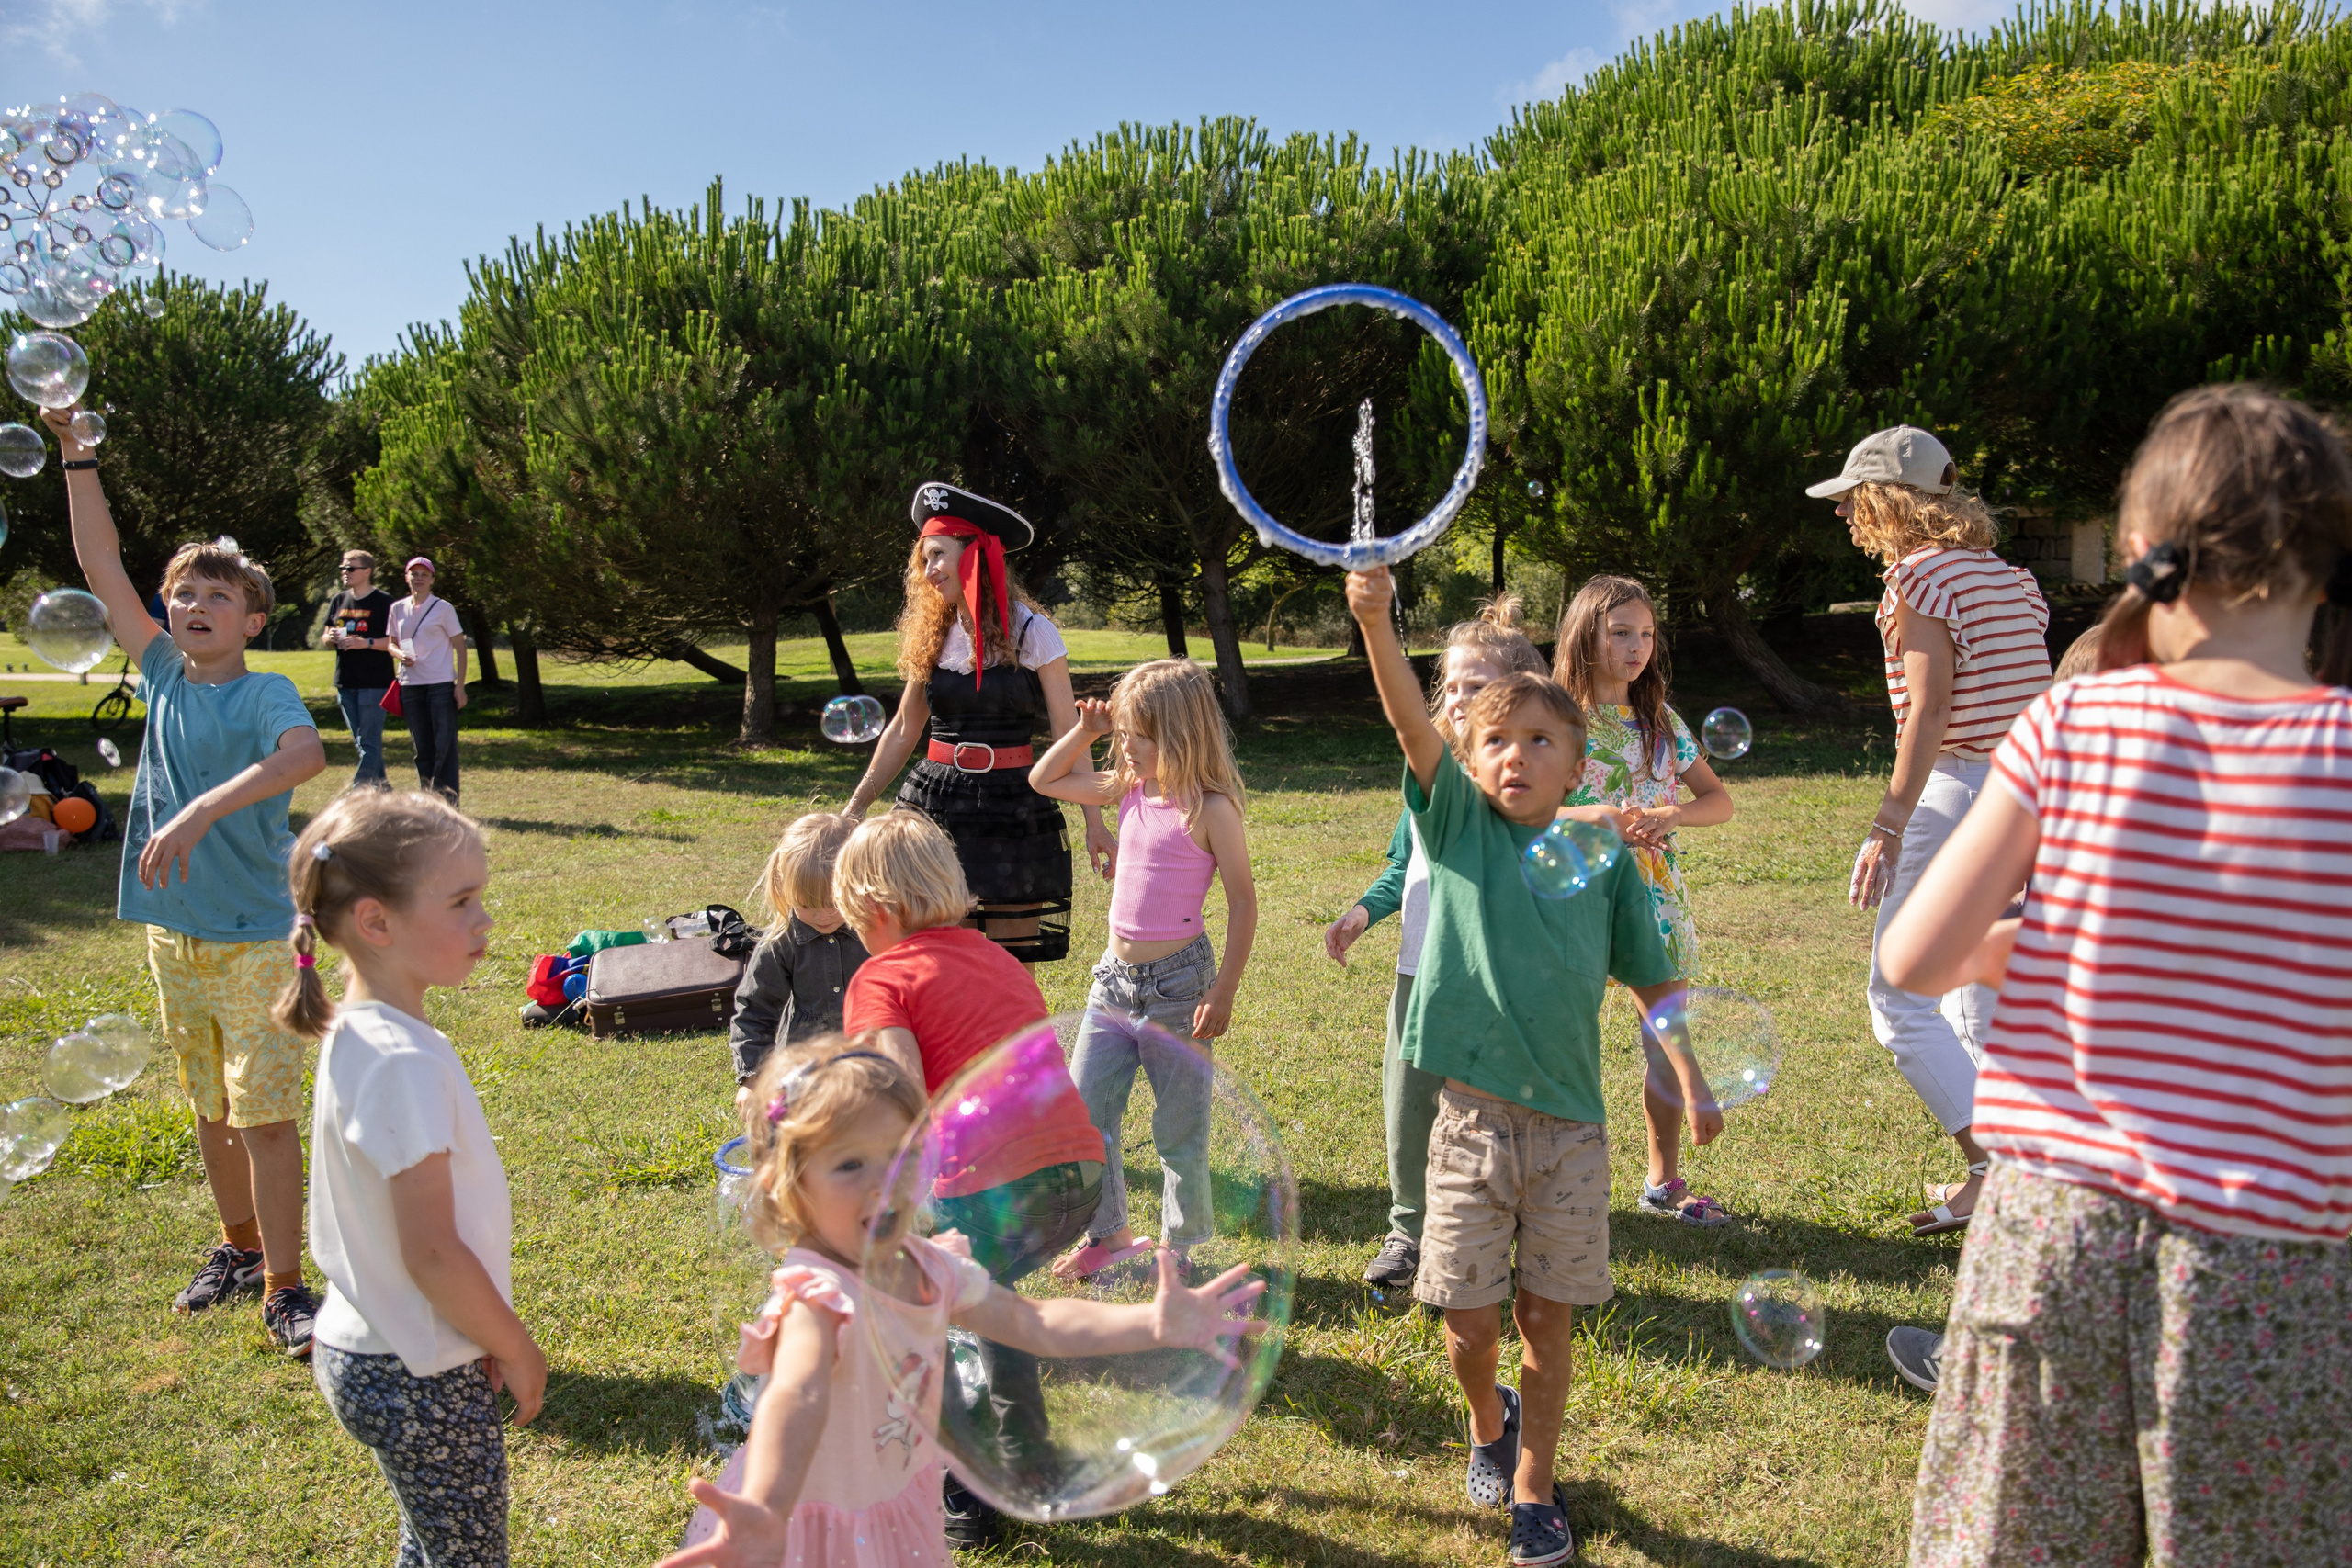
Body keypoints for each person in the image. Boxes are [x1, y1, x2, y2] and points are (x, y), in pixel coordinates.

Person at [1879, 384, 2352, 1566]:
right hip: (2274, 1273)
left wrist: (2033, 943)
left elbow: (1916, 958)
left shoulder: (2075, 725)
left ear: (2142, 555)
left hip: (2051, 1240)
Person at [1345, 564, 1707, 1567]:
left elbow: (1653, 984)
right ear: (1467, 758)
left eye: (1538, 741)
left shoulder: (1601, 865)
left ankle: (1536, 1489)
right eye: (1493, 742)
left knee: (1549, 1318)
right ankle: (1484, 1425)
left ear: (1575, 761)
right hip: (1465, 1125)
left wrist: (1692, 1076)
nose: (1514, 758)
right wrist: (1376, 622)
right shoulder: (1452, 827)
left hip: (1569, 1135)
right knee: (1467, 1323)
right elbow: (1412, 724)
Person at [659, 1042, 1267, 1568]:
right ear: (791, 1187)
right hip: (810, 1522)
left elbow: (1034, 1321)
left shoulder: (929, 1266)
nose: (882, 1182)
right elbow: (798, 1393)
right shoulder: (818, 1298)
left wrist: (1150, 1322)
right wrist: (768, 1501)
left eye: (898, 1156)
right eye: (849, 1164)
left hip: (898, 1503)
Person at [42, 404, 330, 1352]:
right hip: (175, 932)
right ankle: (240, 1247)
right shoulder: (161, 671)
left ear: (252, 619)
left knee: (267, 1115)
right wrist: (78, 458)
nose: (193, 607)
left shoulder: (263, 692)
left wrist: (202, 809)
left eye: (216, 597)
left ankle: (287, 1288)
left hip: (254, 933)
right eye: (181, 594)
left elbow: (304, 757)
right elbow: (99, 568)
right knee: (210, 1104)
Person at [276, 788, 543, 1568]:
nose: (484, 920)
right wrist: (514, 1343)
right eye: (461, 901)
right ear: (375, 921)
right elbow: (431, 1252)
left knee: (430, 1545)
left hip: (369, 1345)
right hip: (417, 1370)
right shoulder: (399, 1060)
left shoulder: (361, 1029)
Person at [832, 810, 1109, 1547]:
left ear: (880, 912)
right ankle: (1031, 1460)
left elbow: (899, 1092)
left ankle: (972, 1490)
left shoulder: (881, 974)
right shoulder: (998, 958)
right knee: (985, 1300)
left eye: (856, 920)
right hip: (1078, 1177)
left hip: (995, 1185)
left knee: (922, 1308)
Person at [1811, 424, 2051, 1236]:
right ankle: (2020, 1174)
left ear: (1887, 499)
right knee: (1973, 1000)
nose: (1843, 514)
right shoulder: (2012, 580)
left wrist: (1887, 824)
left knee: (1899, 997)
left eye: (1850, 498)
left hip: (1959, 791)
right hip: (2028, 795)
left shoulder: (1917, 582)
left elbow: (1933, 711)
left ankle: (1995, 1168)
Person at [1323, 598, 1548, 1290]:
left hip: (1494, 984)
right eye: (1449, 686)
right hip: (1419, 975)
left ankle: (1501, 1229)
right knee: (1410, 1106)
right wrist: (1364, 911)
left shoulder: (1528, 786)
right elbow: (1404, 865)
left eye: (1475, 685)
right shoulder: (1429, 779)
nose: (1456, 698)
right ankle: (1407, 1230)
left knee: (1496, 1113)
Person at [1026, 660, 1258, 1281]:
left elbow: (1242, 900)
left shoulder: (1211, 808)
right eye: (1123, 733)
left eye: (1138, 735)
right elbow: (1044, 778)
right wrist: (1085, 733)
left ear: (1181, 734)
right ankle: (1109, 1234)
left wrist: (1225, 988)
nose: (1126, 745)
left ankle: (1178, 1249)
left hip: (1181, 986)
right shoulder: (1127, 785)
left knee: (1179, 1125)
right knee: (1084, 1110)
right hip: (1114, 982)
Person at [842, 484, 1112, 964]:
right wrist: (854, 810)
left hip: (1014, 811)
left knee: (1011, 963)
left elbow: (1070, 732)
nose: (929, 571)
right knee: (935, 958)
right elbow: (904, 728)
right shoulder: (934, 634)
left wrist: (1095, 821)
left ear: (976, 555)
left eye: (939, 555)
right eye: (924, 559)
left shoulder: (1034, 633)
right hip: (935, 807)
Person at [1554, 576, 1737, 1226]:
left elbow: (1720, 800)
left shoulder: (1659, 721)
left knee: (1661, 1034)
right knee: (1556, 1039)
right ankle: (1545, 1181)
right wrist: (1601, 816)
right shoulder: (1555, 716)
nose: (1637, 647)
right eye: (1621, 632)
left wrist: (1672, 814)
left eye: (1647, 633)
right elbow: (1525, 804)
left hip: (1654, 891)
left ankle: (1663, 1183)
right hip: (1572, 889)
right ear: (1586, 636)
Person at [729, 812, 869, 1111]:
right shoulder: (781, 942)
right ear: (785, 889)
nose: (822, 916)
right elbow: (755, 1011)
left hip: (869, 1063)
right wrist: (752, 1079)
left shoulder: (875, 931)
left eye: (833, 903)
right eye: (807, 906)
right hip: (802, 1069)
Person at [387, 556, 468, 805]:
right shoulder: (397, 608)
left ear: (432, 579)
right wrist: (400, 654)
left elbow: (460, 647)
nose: (419, 578)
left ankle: (448, 802)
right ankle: (428, 799)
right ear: (407, 577)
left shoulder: (443, 608)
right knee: (421, 748)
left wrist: (460, 685)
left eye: (424, 574)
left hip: (440, 685)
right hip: (411, 686)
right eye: (414, 574)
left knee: (444, 745)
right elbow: (391, 643)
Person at [322, 548, 396, 787]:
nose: (345, 572)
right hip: (345, 680)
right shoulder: (338, 600)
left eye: (350, 568)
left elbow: (394, 642)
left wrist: (365, 643)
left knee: (369, 741)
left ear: (367, 571)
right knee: (363, 742)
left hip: (375, 682)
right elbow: (324, 637)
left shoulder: (384, 602)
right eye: (343, 567)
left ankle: (359, 790)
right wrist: (331, 637)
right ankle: (383, 787)